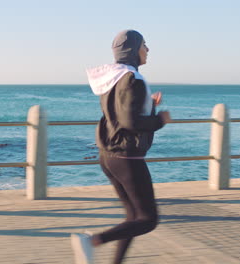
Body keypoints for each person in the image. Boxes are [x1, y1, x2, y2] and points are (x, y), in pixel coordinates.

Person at [71, 29, 171, 264]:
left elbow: (121, 113)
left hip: (109, 156)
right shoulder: (132, 79)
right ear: (133, 49)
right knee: (147, 219)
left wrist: (150, 104)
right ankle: (93, 240)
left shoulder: (113, 77)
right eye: (144, 45)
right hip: (127, 157)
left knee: (133, 217)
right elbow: (131, 122)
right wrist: (160, 120)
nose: (148, 50)